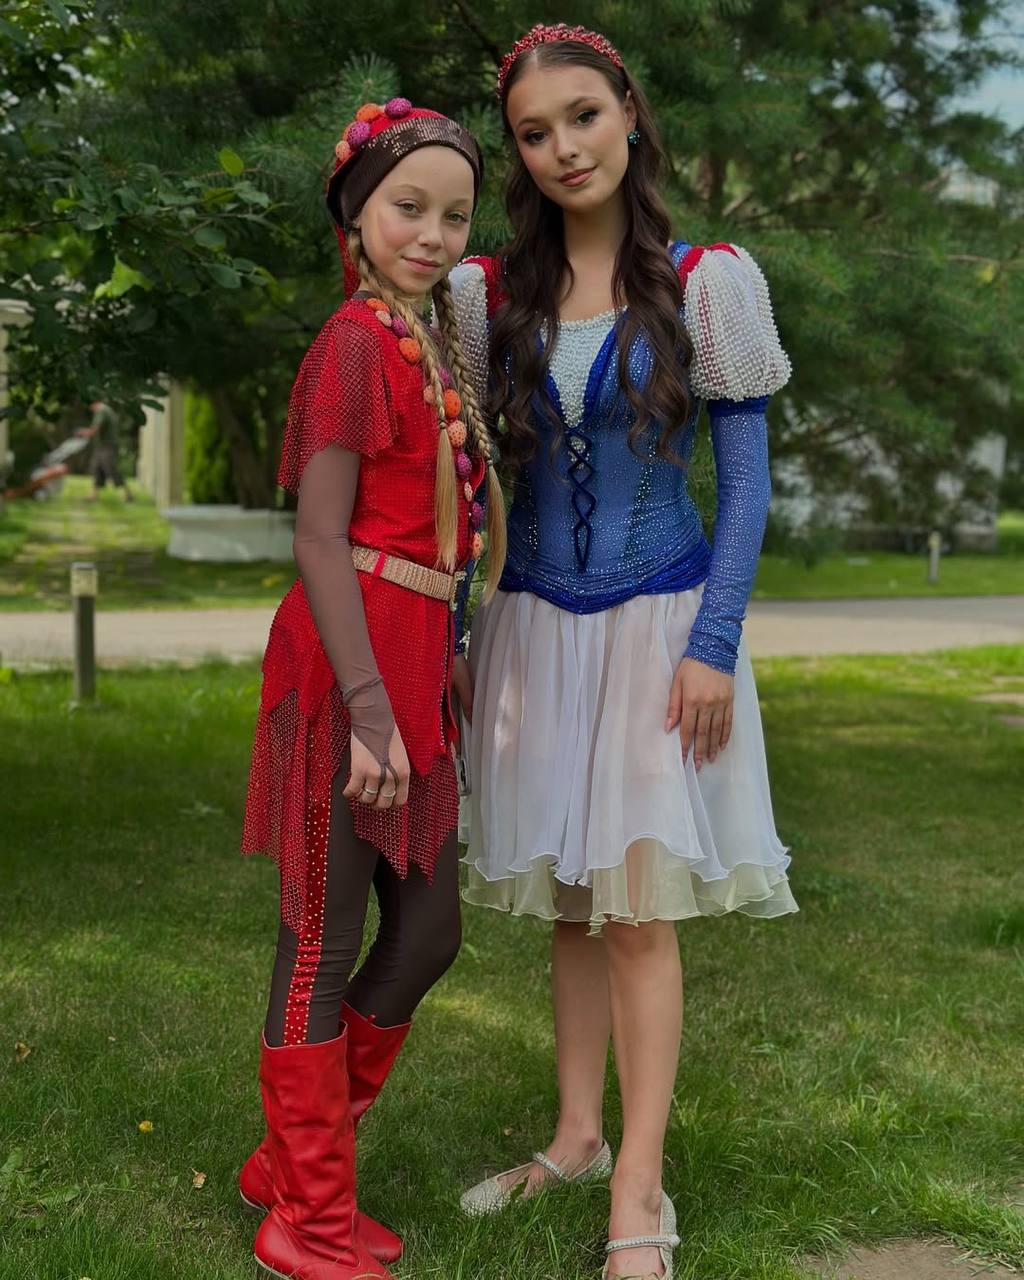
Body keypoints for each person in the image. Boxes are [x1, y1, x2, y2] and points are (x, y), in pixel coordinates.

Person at [450, 24, 798, 1280]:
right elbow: (464, 488)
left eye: (583, 117)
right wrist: (456, 631)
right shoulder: (486, 295)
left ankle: (638, 1187)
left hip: (661, 625)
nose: (563, 148)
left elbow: (745, 486)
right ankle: (576, 1134)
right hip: (533, 626)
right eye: (534, 133)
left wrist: (713, 642)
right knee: (572, 899)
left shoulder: (708, 282)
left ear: (629, 113)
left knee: (640, 910)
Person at [238, 98, 505, 1280]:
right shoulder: (354, 342)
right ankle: (306, 1218)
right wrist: (364, 706)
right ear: (357, 211)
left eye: (454, 215)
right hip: (344, 673)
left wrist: (444, 653)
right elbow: (319, 536)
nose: (434, 235)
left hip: (412, 660)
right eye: (409, 207)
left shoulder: (429, 341)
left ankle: (292, 1166)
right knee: (322, 933)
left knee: (430, 928)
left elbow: (437, 524)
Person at [78, 399, 132, 501]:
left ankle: (127, 494)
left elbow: (96, 428)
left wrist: (85, 432)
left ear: (94, 403)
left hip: (108, 446)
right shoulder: (106, 410)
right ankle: (93, 495)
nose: (91, 409)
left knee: (111, 469)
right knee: (96, 468)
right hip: (102, 446)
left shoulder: (102, 411)